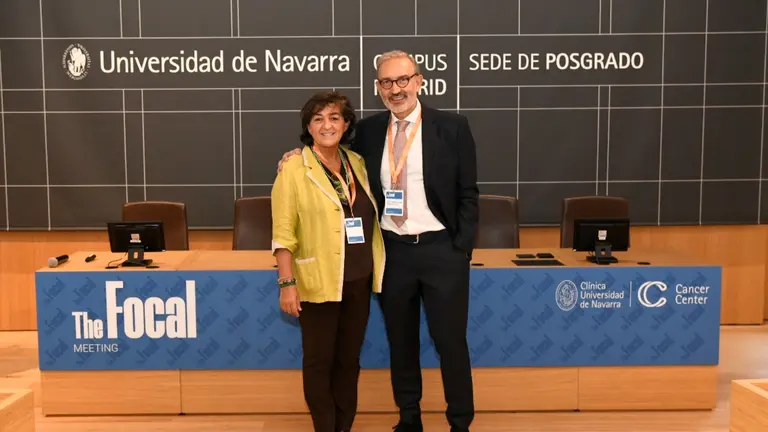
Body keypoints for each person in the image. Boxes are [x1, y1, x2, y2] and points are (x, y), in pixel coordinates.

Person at [279, 50, 479, 432]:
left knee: (450, 342)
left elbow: (468, 192)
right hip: (392, 254)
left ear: (419, 81)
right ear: (378, 88)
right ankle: (409, 419)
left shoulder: (452, 127)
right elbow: (326, 146)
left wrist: (460, 249)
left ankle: (460, 423)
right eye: (387, 82)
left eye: (403, 80)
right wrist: (295, 154)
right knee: (400, 343)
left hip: (442, 252)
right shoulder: (369, 132)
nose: (396, 89)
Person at [271, 91, 386, 432]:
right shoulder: (293, 168)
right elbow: (283, 233)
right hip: (316, 282)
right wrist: (287, 283)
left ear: (346, 123)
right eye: (318, 118)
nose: (327, 125)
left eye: (334, 117)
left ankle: (344, 426)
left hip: (359, 281)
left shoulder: (357, 163)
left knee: (348, 362)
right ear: (308, 126)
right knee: (319, 363)